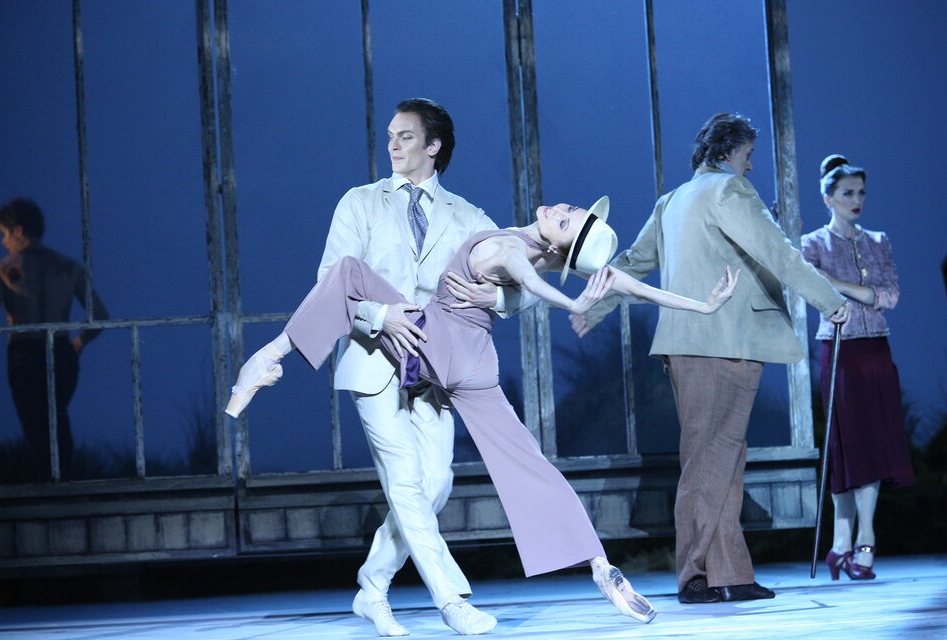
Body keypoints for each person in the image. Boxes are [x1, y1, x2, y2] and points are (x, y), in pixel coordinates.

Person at [227, 192, 740, 631]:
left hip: (430, 342)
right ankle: (599, 565)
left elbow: (532, 281)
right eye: (570, 209)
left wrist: (573, 305)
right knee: (529, 465)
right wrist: (701, 306)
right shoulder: (525, 247)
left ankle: (268, 357)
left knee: (347, 272)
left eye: (565, 221)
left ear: (559, 248)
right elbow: (624, 285)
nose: (560, 208)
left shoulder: (514, 249)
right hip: (475, 367)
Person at [257, 98, 532, 637]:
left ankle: (373, 585)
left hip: (434, 370)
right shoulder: (360, 202)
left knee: (436, 483)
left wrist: (494, 297)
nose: (393, 144)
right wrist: (380, 316)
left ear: (434, 145)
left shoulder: (469, 217)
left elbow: (519, 287)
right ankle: (453, 601)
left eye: (405, 136)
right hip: (371, 361)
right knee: (405, 480)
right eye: (390, 136)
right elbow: (330, 284)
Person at [571, 113, 849, 605]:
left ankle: (730, 573)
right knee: (709, 459)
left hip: (688, 344)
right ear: (727, 151)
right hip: (724, 342)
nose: (750, 166)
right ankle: (695, 574)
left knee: (722, 458)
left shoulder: (672, 200)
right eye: (748, 156)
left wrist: (596, 306)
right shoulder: (730, 190)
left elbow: (634, 262)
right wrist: (830, 302)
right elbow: (780, 254)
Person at [800, 154, 914, 580]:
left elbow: (890, 296)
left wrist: (841, 285)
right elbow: (811, 287)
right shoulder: (812, 244)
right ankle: (842, 542)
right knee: (847, 447)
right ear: (828, 198)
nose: (857, 200)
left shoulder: (878, 241)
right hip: (840, 350)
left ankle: (860, 540)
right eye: (847, 192)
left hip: (876, 350)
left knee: (875, 444)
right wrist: (861, 292)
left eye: (861, 192)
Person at [0, 198, 108, 481]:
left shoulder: (1, 269)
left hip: (25, 354)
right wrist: (78, 344)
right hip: (62, 351)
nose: (3, 242)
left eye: (4, 234)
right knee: (56, 417)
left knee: (36, 426)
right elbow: (100, 316)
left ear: (18, 231)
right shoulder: (69, 267)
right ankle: (65, 483)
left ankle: (50, 488)